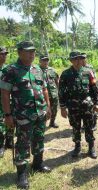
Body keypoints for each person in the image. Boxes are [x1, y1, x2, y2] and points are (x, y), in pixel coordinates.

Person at [0, 41, 52, 189]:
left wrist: (48, 107)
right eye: (28, 51)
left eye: (33, 51)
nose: (32, 54)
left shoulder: (37, 69)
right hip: (23, 116)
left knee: (39, 138)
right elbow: (4, 93)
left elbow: (44, 89)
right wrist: (8, 115)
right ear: (19, 52)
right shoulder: (11, 70)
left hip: (40, 113)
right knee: (23, 143)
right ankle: (21, 174)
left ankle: (37, 164)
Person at [58, 51, 98, 159]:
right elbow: (62, 92)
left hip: (87, 106)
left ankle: (91, 147)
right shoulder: (66, 74)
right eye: (75, 59)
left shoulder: (88, 72)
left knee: (89, 127)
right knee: (75, 127)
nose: (78, 61)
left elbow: (94, 89)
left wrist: (96, 103)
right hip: (73, 106)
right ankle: (77, 147)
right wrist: (63, 107)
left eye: (79, 59)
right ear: (71, 61)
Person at [39, 54, 59, 128]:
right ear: (40, 61)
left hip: (53, 94)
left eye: (47, 60)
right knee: (43, 111)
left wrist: (59, 91)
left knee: (54, 110)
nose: (45, 62)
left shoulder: (52, 70)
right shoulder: (37, 70)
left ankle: (52, 122)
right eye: (44, 60)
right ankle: (43, 124)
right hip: (43, 95)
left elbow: (57, 81)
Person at [0, 47, 14, 158]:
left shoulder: (8, 70)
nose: (4, 56)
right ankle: (1, 145)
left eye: (5, 54)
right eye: (1, 54)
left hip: (8, 101)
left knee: (10, 120)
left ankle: (9, 141)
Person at [80, 53, 98, 131]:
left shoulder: (90, 67)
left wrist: (93, 87)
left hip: (91, 90)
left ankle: (94, 124)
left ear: (86, 59)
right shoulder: (78, 68)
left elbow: (95, 78)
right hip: (83, 91)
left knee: (93, 107)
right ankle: (84, 124)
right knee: (84, 108)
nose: (83, 60)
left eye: (84, 58)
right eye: (82, 58)